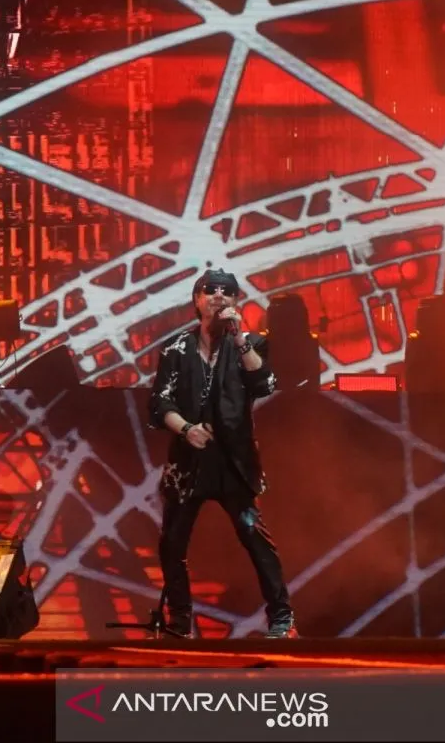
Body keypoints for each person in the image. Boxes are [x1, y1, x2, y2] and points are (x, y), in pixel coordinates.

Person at [148, 268, 297, 638]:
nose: (218, 296)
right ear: (197, 300)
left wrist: (240, 338)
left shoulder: (251, 344)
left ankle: (282, 618)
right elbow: (159, 402)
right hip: (189, 463)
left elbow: (264, 384)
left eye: (226, 291)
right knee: (172, 544)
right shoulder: (176, 349)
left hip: (234, 462)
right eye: (210, 290)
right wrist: (187, 429)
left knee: (254, 537)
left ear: (235, 301)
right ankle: (179, 621)